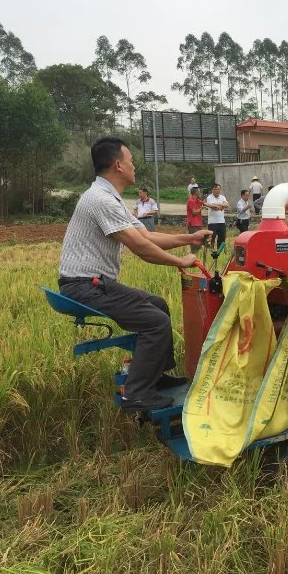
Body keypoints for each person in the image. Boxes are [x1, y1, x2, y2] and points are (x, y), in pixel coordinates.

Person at [58, 137, 211, 412]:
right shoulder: (100, 200)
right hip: (84, 286)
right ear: (118, 165)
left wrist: (190, 238)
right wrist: (180, 261)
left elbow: (147, 236)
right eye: (131, 161)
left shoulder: (110, 198)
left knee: (157, 305)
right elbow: (141, 248)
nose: (134, 166)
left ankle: (154, 378)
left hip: (94, 283)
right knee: (156, 323)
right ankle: (136, 394)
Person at [204, 183, 229, 249]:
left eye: (218, 189)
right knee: (211, 239)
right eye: (215, 189)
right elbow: (214, 207)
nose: (217, 191)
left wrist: (217, 204)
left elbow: (227, 205)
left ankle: (219, 252)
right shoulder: (209, 197)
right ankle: (211, 252)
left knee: (222, 238)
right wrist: (221, 206)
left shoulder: (222, 197)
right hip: (212, 222)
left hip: (222, 222)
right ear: (212, 190)